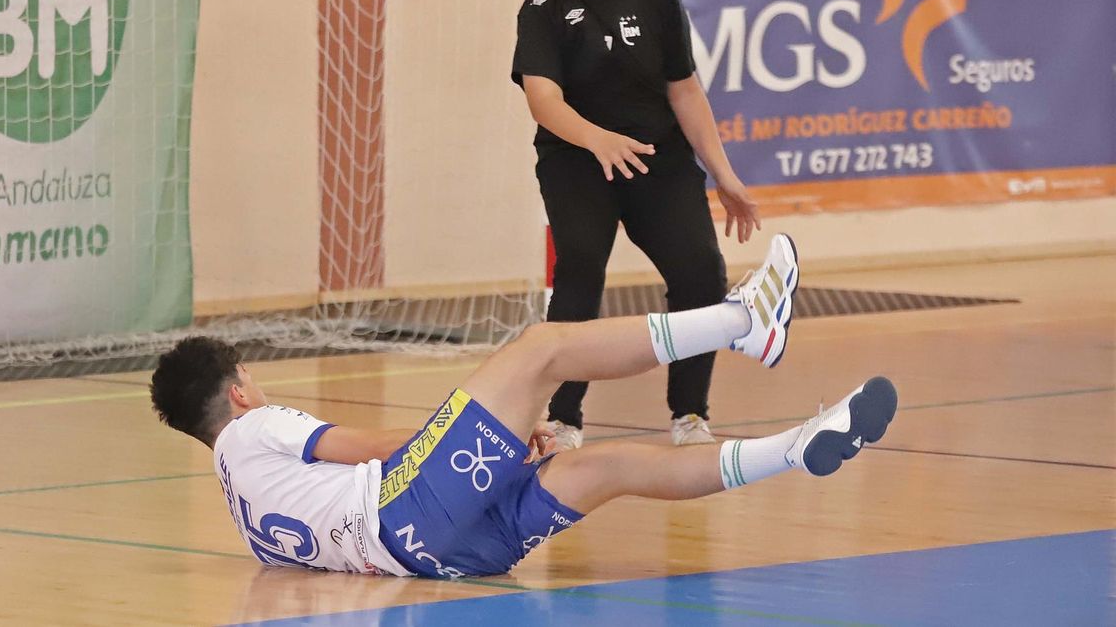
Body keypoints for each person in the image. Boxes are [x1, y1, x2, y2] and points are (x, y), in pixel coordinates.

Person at [149, 234, 898, 579]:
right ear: (240, 389)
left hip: (444, 559)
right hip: (413, 506)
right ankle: (743, 322)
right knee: (539, 349)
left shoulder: (244, 513)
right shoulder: (256, 426)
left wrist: (486, 451)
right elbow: (369, 446)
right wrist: (486, 438)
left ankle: (799, 445)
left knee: (604, 466)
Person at [511, 0, 761, 448]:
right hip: (578, 163)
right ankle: (562, 418)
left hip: (657, 160)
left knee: (700, 270)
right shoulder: (541, 9)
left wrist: (724, 175)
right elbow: (543, 101)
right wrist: (597, 139)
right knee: (579, 275)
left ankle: (690, 413)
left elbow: (685, 89)